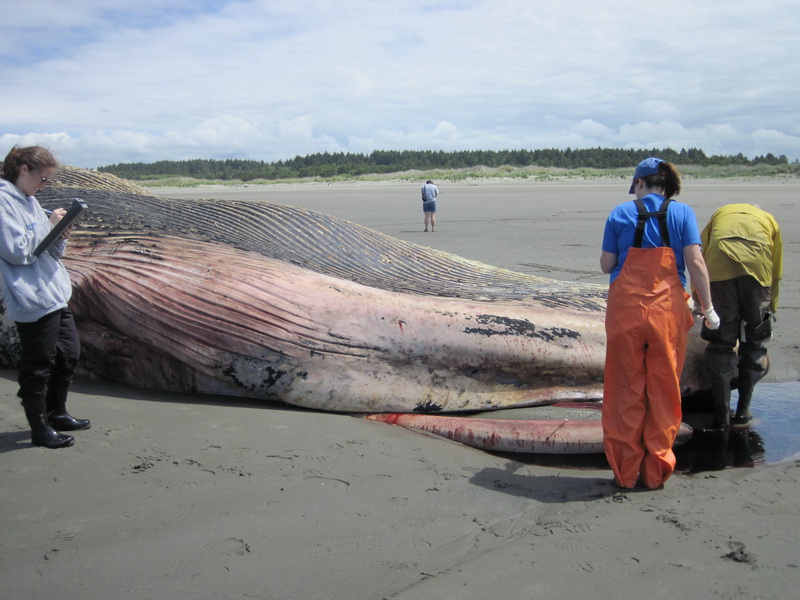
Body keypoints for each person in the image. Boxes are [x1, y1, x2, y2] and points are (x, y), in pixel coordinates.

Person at [599, 157, 720, 490]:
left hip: (626, 311)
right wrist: (708, 309)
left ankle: (624, 474)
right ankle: (655, 474)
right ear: (665, 185)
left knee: (625, 388)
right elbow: (695, 263)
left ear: (639, 184)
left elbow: (606, 264)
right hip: (667, 312)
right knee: (664, 390)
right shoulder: (682, 214)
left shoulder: (620, 213)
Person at [0, 145, 90, 449]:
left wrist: (59, 233)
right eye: (42, 179)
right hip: (32, 297)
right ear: (23, 169)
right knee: (37, 365)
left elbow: (46, 249)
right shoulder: (2, 202)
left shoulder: (30, 201)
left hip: (53, 293)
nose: (43, 186)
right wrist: (49, 226)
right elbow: (17, 252)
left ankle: (57, 413)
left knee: (69, 354)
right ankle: (40, 429)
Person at [699, 203, 783, 430]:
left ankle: (721, 415)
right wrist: (770, 306)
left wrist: (701, 303)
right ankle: (743, 410)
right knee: (754, 341)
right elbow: (776, 269)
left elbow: (700, 256)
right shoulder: (768, 218)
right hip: (758, 271)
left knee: (720, 343)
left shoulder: (720, 213)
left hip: (719, 267)